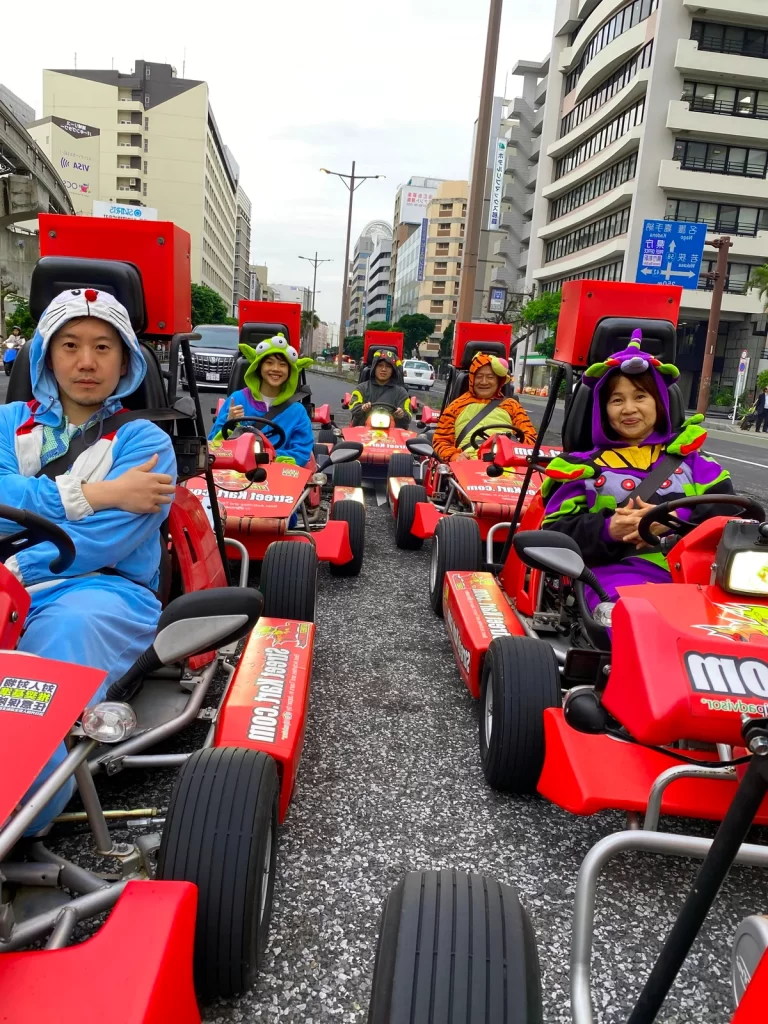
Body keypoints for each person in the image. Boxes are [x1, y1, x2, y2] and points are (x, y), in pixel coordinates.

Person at [0, 287, 177, 831]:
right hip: (9, 578)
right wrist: (98, 494)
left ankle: (17, 813)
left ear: (125, 359)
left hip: (102, 589)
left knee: (52, 648)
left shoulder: (144, 439)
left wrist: (19, 564)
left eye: (103, 347)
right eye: (70, 344)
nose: (85, 361)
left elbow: (105, 541)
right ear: (46, 355)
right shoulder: (10, 422)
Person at [541, 330, 735, 611]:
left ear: (659, 402)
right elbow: (554, 534)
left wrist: (673, 521)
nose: (629, 409)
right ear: (603, 409)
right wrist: (610, 529)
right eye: (617, 400)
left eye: (640, 396)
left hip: (704, 579)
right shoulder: (582, 469)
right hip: (617, 577)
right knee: (642, 624)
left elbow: (737, 520)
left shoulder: (695, 461)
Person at [209, 333, 314, 465]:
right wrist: (228, 423)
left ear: (290, 371)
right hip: (236, 474)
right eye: (269, 363)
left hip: (279, 475)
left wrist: (269, 456)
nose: (276, 369)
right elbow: (214, 445)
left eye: (282, 364)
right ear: (258, 367)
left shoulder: (297, 412)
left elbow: (301, 453)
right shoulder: (237, 399)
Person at [432, 352, 536, 462]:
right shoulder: (455, 406)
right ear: (472, 379)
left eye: (490, 377)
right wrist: (455, 457)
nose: (484, 382)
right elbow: (440, 440)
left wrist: (515, 451)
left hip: (507, 463)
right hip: (467, 464)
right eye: (479, 377)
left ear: (498, 381)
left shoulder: (512, 405)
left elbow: (531, 438)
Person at [349, 351, 411, 428]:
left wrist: (402, 414)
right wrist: (362, 408)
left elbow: (408, 416)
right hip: (362, 432)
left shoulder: (401, 392)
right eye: (380, 365)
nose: (384, 369)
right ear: (374, 368)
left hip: (393, 435)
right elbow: (353, 407)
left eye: (388, 366)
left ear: (393, 370)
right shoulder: (361, 388)